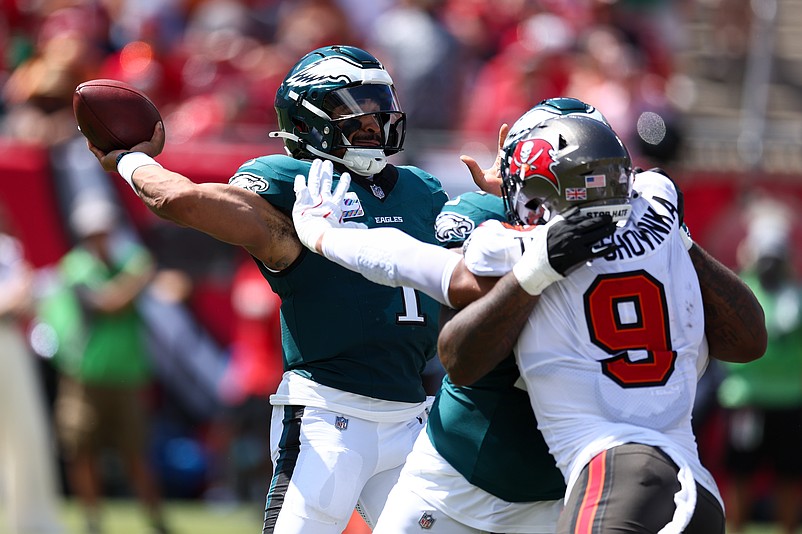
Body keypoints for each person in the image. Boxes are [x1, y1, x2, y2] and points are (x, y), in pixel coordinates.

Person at [291, 116, 766, 533]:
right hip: (693, 481)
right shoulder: (659, 203)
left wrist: (323, 234)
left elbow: (409, 261)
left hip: (616, 475)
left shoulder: (515, 246)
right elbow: (748, 337)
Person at [84, 45, 476, 533]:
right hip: (328, 420)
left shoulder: (423, 188)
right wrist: (130, 161)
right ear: (307, 117)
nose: (372, 118)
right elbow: (178, 199)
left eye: (378, 101)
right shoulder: (290, 183)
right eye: (351, 106)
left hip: (412, 417)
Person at [47, 195, 168, 534]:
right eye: (92, 233)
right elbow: (109, 303)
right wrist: (139, 278)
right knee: (81, 449)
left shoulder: (130, 261)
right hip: (83, 376)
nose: (98, 238)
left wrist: (141, 276)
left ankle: (156, 521)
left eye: (103, 231)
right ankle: (92, 521)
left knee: (136, 452)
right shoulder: (75, 268)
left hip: (128, 376)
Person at [717, 201, 802, 534]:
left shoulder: (795, 296)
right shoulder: (739, 292)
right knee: (741, 473)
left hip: (790, 403)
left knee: (789, 475)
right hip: (746, 402)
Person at [0, 209, 64, 534]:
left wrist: (23, 296)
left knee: (27, 432)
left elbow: (26, 300)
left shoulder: (8, 249)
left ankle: (32, 521)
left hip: (10, 342)